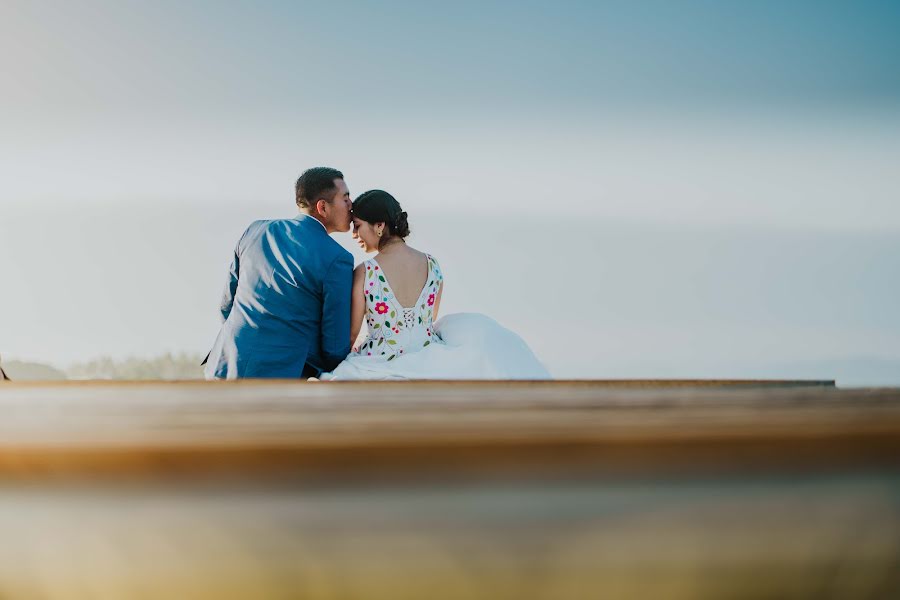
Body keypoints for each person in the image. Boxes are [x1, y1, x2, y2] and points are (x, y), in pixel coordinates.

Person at [320, 190, 550, 380]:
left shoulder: (365, 271)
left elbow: (351, 334)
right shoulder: (433, 265)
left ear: (379, 225)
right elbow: (427, 321)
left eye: (358, 226)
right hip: (427, 357)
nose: (354, 234)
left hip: (379, 359)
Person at [203, 167, 353, 379]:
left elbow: (226, 307)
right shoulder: (338, 258)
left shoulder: (255, 230)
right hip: (283, 378)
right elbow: (334, 348)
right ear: (323, 207)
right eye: (345, 198)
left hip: (224, 367)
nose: (351, 205)